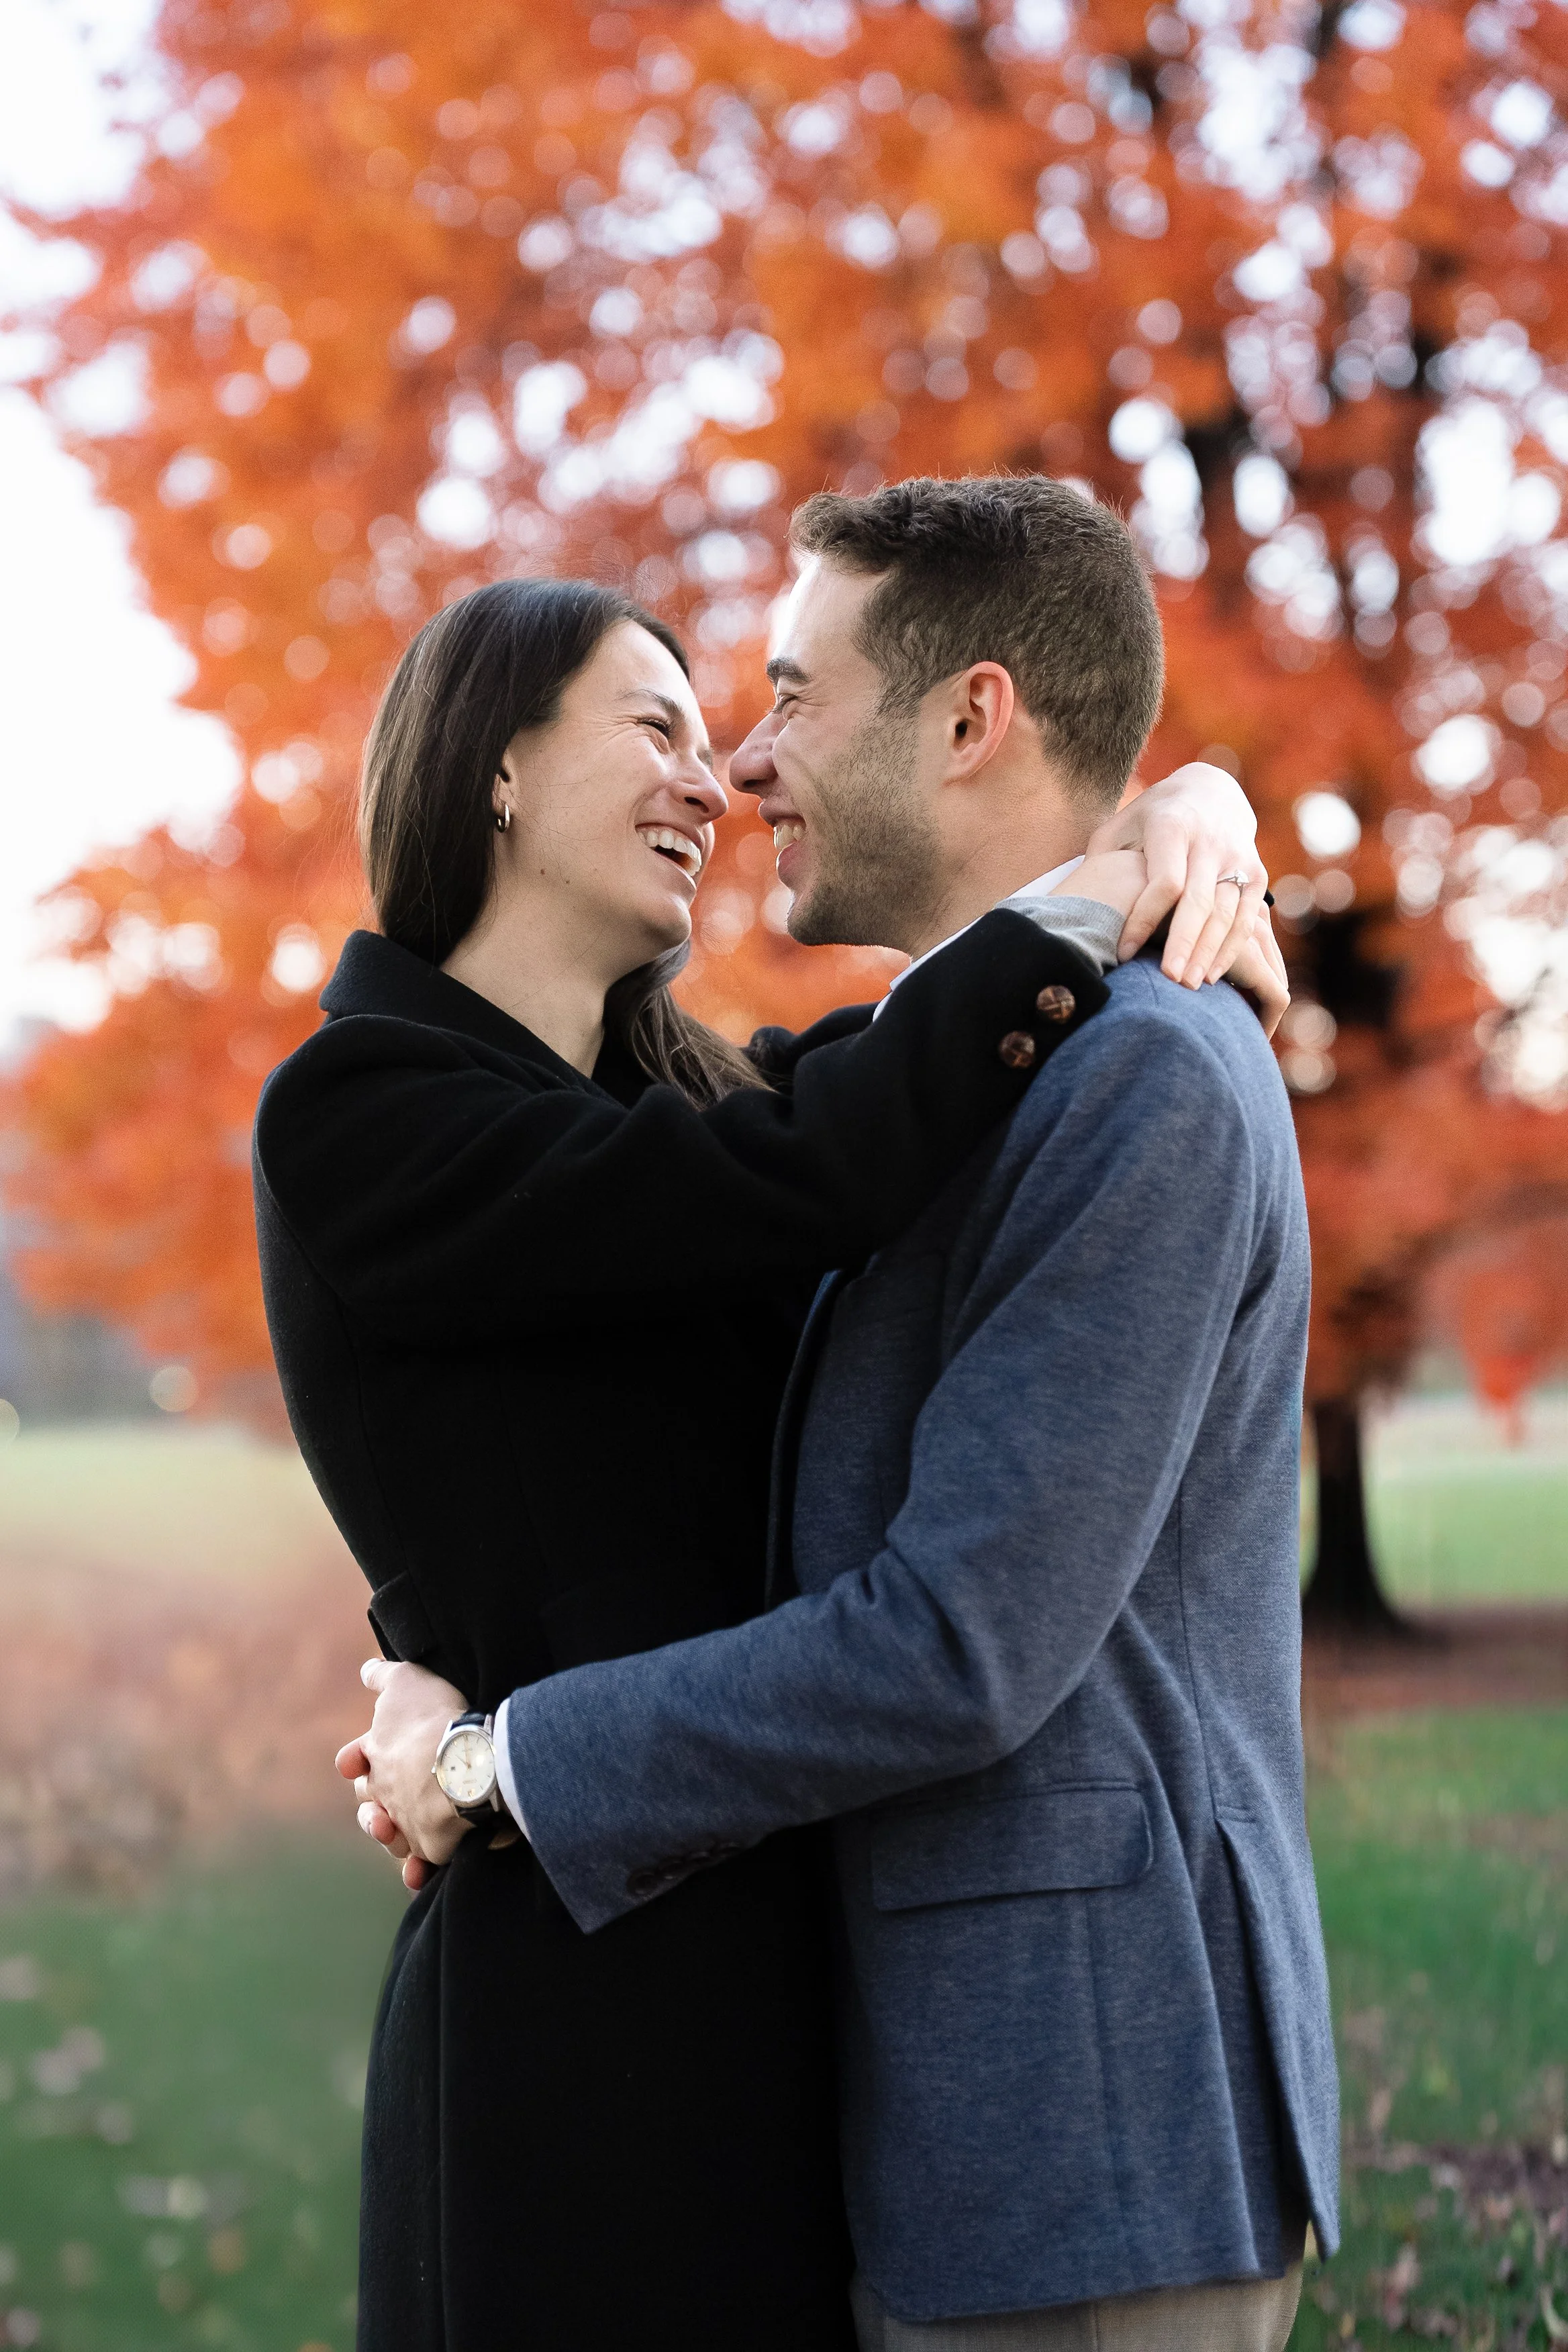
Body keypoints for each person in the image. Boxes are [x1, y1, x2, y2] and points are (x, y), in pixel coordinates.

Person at [354, 477, 1337, 2352]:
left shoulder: (1147, 1083)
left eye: (794, 694)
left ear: (971, 721)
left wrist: (499, 1759)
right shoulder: (926, 1096)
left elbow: (958, 1646)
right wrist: (422, 1642)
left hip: (1091, 2140)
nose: (744, 760)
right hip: (927, 2132)